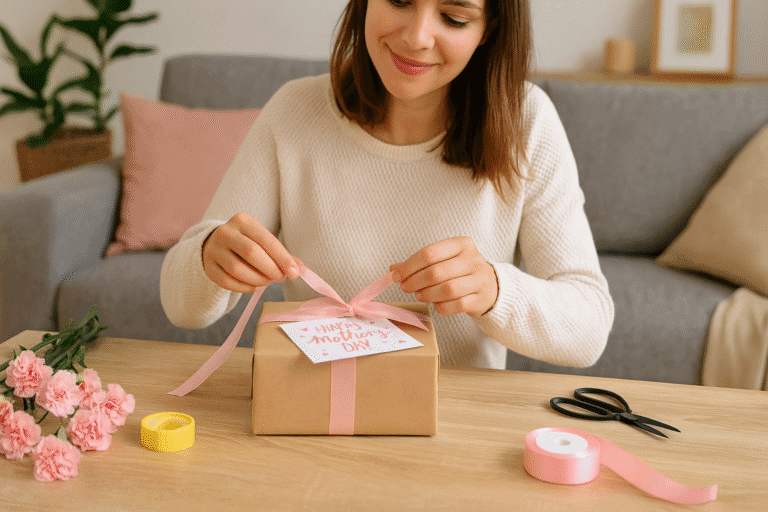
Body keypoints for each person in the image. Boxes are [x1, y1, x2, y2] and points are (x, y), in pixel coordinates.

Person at [160, 0, 614, 370]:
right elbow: (181, 307)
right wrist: (210, 258)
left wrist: (495, 290)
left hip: (457, 424)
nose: (417, 37)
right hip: (312, 410)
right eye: (399, 0)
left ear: (488, 28)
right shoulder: (293, 110)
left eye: (454, 17)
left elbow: (589, 330)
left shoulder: (526, 122)